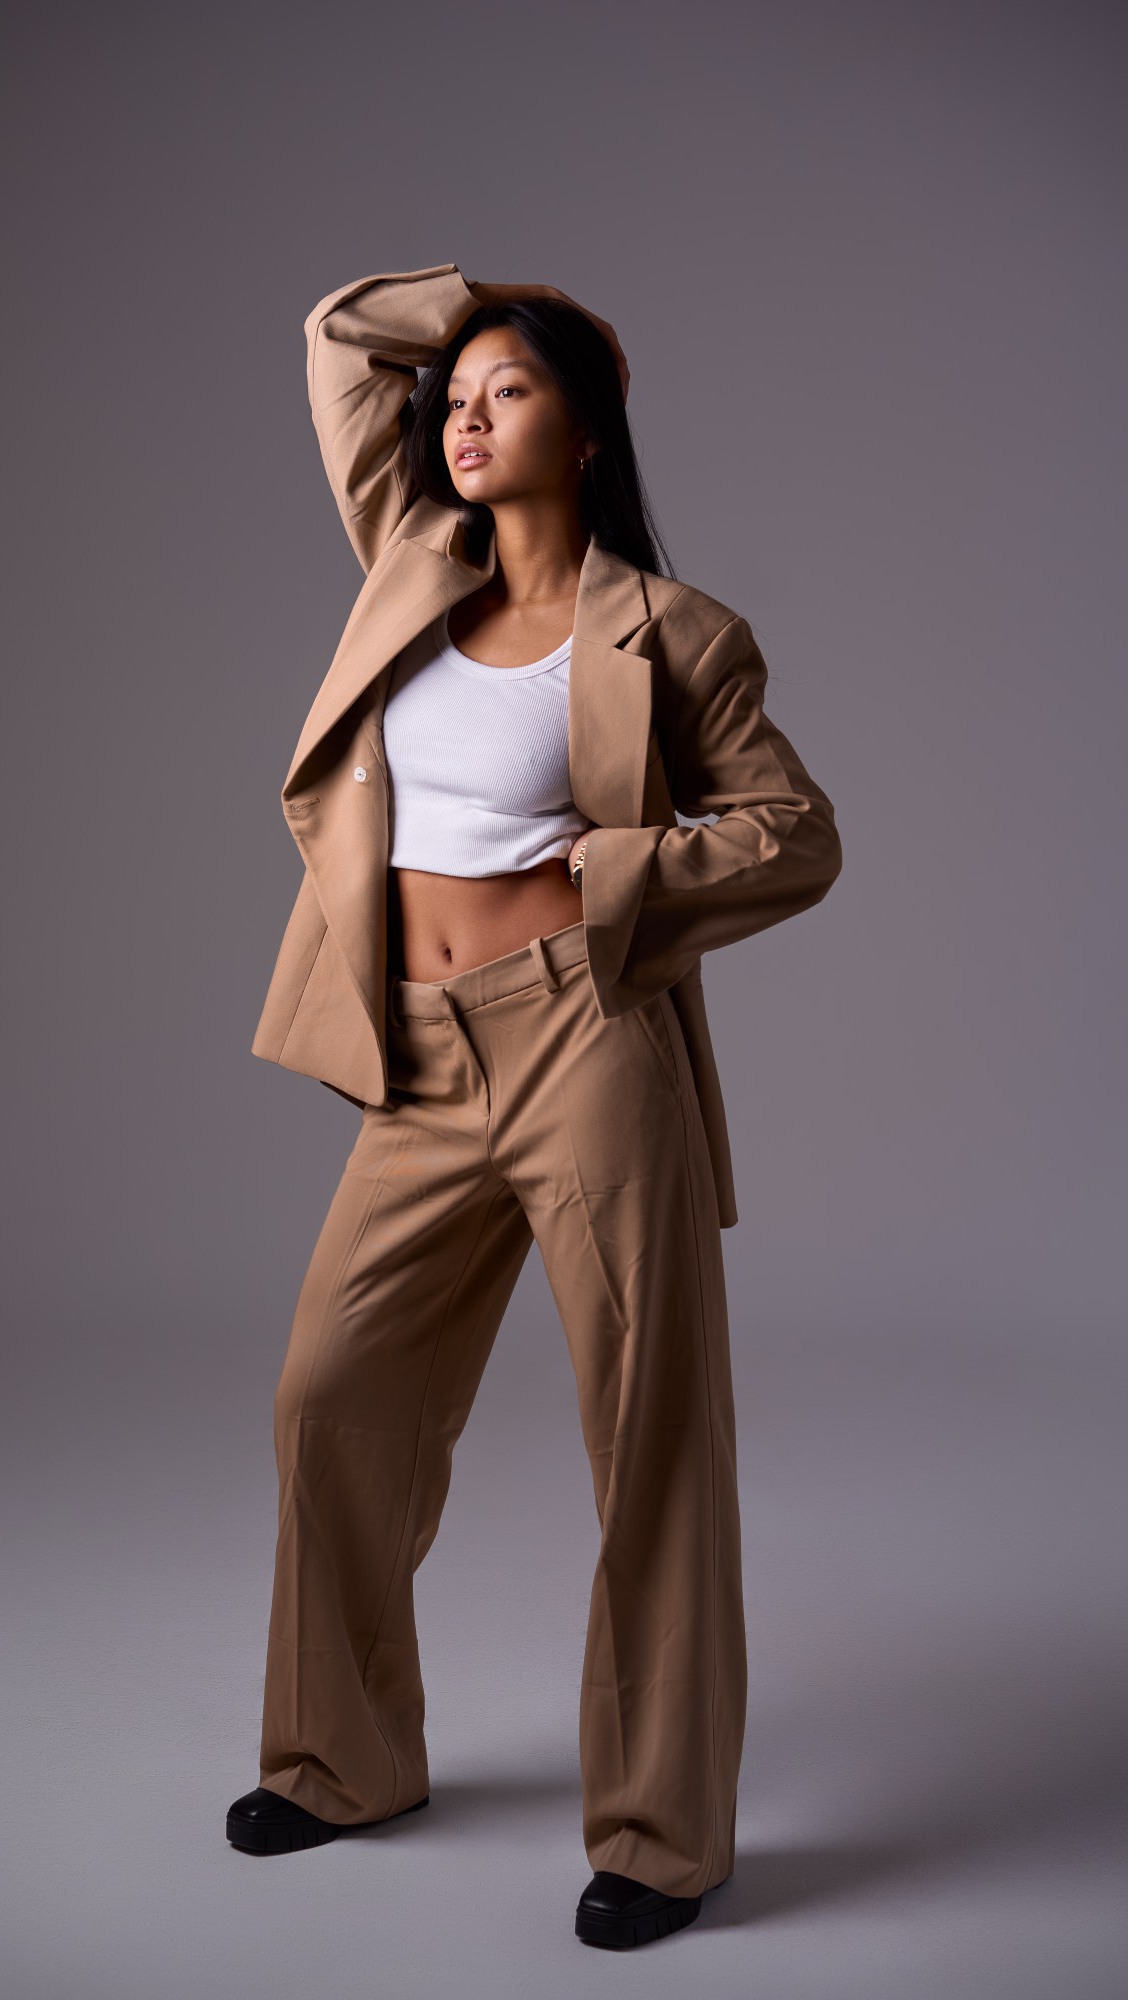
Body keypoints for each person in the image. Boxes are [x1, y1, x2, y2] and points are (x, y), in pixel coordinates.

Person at [224, 264, 843, 1951]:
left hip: (587, 1045)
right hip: (419, 1060)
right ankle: (342, 1760)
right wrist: (497, 304)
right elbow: (342, 340)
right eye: (457, 395)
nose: (465, 415)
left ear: (586, 430)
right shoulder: (408, 562)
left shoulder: (675, 633)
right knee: (330, 1395)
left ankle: (660, 1837)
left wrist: (623, 872)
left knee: (649, 1433)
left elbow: (796, 833)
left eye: (510, 389)